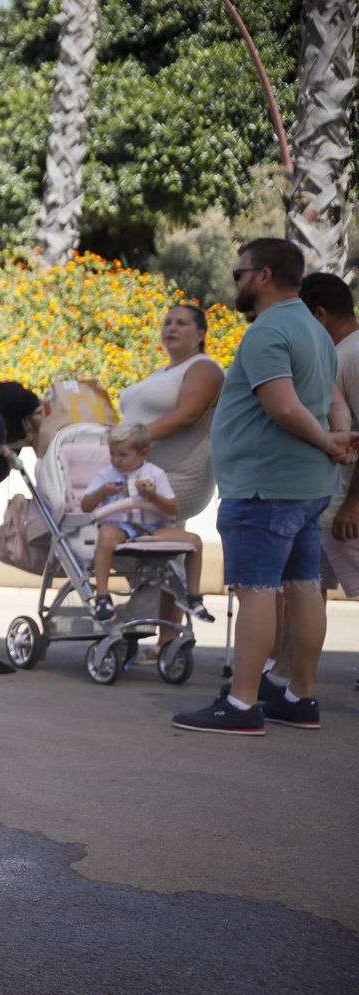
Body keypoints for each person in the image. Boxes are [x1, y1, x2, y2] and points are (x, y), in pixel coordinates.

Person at [172, 239, 354, 736]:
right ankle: (300, 696)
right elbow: (333, 398)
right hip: (305, 484)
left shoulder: (269, 330)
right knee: (303, 589)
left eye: (240, 272)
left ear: (264, 275)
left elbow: (284, 407)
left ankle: (242, 703)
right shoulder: (316, 331)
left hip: (265, 486)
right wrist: (334, 437)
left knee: (257, 592)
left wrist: (329, 442)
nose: (237, 280)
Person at [117, 303, 226, 652]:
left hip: (178, 475)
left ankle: (158, 626)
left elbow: (188, 416)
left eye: (182, 323)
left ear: (201, 334)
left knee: (128, 534)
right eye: (166, 322)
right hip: (146, 474)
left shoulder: (204, 368)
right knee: (156, 547)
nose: (171, 328)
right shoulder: (162, 372)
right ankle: (164, 633)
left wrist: (131, 438)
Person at [79, 421, 211, 624]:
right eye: (113, 454)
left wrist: (152, 496)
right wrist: (102, 492)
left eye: (122, 455)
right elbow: (86, 506)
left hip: (151, 528)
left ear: (143, 454)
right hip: (120, 525)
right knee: (106, 535)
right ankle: (103, 597)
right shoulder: (107, 475)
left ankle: (193, 596)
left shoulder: (154, 474)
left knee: (195, 542)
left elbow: (172, 509)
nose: (116, 460)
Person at [302, 273, 359, 689]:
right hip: (325, 499)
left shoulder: (350, 355)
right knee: (307, 585)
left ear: (319, 315)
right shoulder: (342, 353)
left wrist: (354, 504)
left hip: (345, 503)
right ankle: (297, 674)